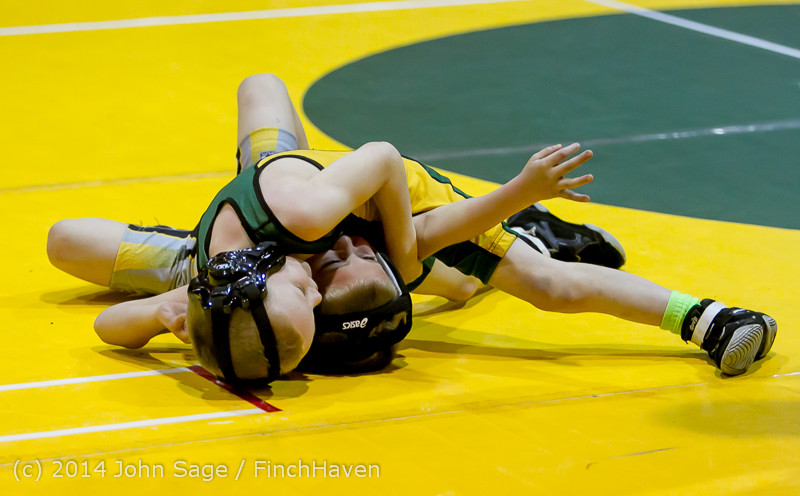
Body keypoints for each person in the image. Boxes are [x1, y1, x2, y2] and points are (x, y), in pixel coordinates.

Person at [48, 74, 776, 383]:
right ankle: (710, 320)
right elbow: (115, 328)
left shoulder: (309, 224)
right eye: (314, 301)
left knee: (541, 284)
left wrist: (497, 201)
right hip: (302, 210)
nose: (318, 293)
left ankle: (542, 232)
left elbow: (385, 161)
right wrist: (173, 316)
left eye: (306, 293)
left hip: (383, 198)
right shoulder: (232, 291)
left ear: (261, 274)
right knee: (64, 244)